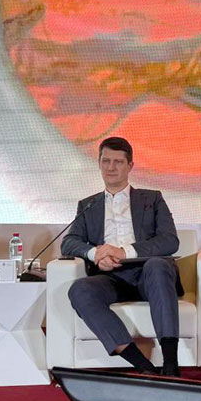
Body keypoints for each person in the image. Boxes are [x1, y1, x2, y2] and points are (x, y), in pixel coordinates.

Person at [61, 137, 183, 376]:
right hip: (111, 278)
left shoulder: (152, 199)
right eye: (105, 161)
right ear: (99, 164)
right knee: (80, 289)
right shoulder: (88, 205)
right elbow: (69, 242)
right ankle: (143, 366)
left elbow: (170, 240)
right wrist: (97, 253)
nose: (111, 167)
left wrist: (124, 251)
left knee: (158, 265)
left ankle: (171, 365)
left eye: (118, 162)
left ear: (130, 166)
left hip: (149, 273)